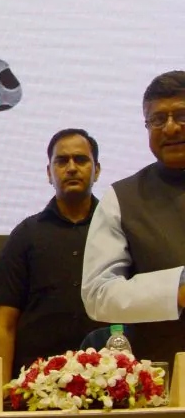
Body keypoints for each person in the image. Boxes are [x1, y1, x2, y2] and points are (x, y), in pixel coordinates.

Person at [0, 129, 105, 379]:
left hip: (111, 385)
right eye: (61, 161)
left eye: (81, 160)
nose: (71, 168)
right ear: (49, 173)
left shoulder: (118, 229)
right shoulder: (26, 234)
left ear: (97, 170)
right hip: (38, 387)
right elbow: (4, 324)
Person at [83, 71, 185, 363]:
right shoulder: (122, 198)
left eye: (181, 115)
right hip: (168, 385)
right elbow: (98, 294)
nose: (170, 128)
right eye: (157, 120)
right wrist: (177, 288)